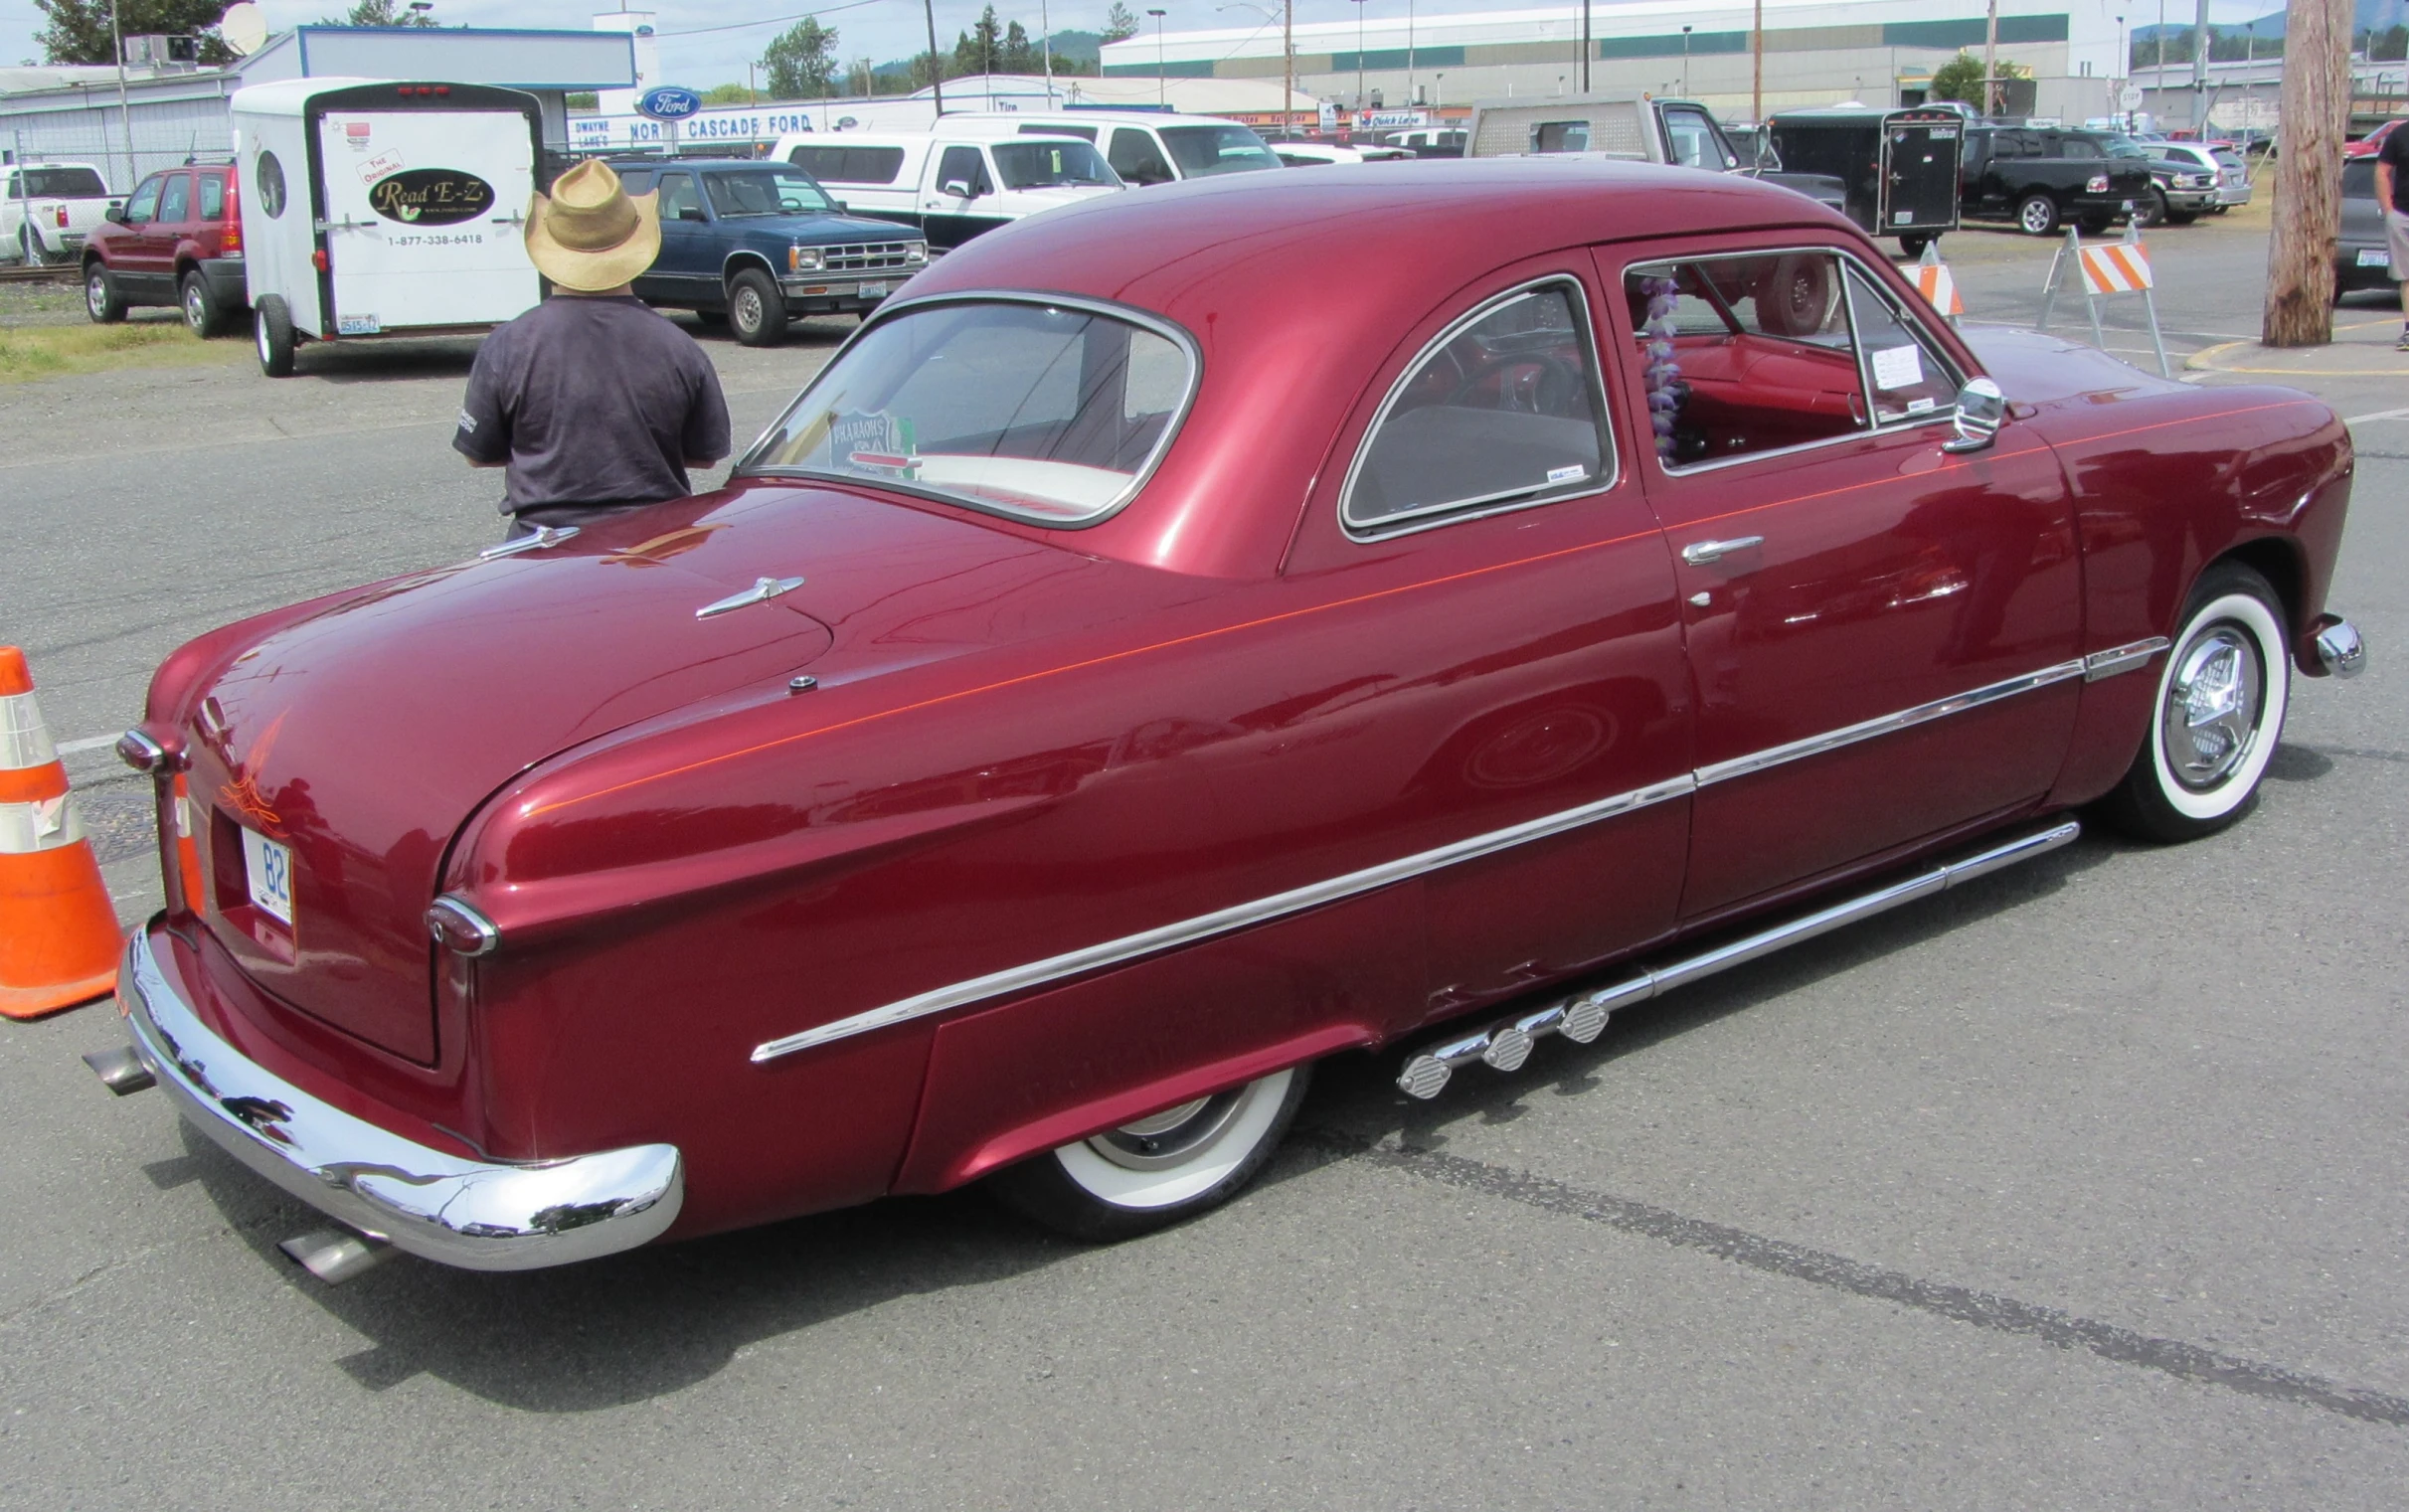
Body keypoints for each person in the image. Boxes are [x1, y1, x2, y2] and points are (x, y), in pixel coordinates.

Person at [454, 159, 732, 534]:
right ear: (636, 240)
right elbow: (704, 456)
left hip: (541, 546)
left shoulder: (508, 344)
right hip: (654, 544)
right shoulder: (678, 346)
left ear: (551, 245)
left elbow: (478, 453)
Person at [2380, 121, 2409, 352]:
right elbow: (2382, 171)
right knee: (2407, 277)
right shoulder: (2399, 134)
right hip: (2403, 215)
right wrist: (2388, 210)